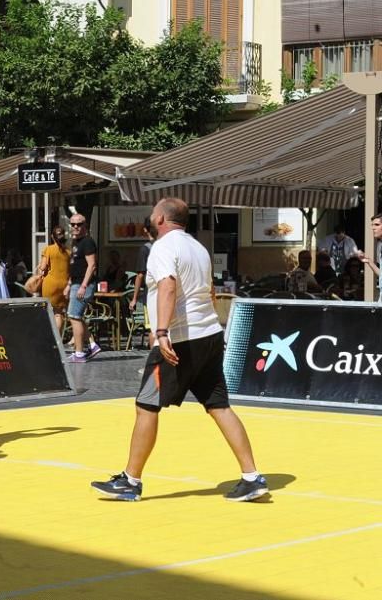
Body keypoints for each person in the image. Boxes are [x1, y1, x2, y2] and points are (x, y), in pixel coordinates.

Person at [91, 197, 268, 503]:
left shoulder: (162, 247)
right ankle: (252, 477)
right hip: (210, 333)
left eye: (153, 211)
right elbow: (210, 292)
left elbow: (168, 287)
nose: (150, 215)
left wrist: (161, 332)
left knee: (146, 404)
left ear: (161, 218)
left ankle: (130, 481)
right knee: (219, 406)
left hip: (180, 338)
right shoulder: (198, 248)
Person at [66, 213, 102, 363]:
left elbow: (92, 265)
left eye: (79, 224)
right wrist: (69, 284)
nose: (75, 227)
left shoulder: (87, 242)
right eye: (73, 224)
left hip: (83, 284)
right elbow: (75, 265)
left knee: (74, 317)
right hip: (76, 283)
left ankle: (79, 353)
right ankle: (92, 346)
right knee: (76, 316)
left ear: (85, 226)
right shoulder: (76, 242)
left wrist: (83, 286)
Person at [37, 226, 70, 334]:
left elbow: (43, 267)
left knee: (50, 312)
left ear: (52, 236)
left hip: (50, 285)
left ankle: (50, 338)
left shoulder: (49, 249)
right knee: (59, 313)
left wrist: (39, 268)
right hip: (65, 285)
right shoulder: (68, 252)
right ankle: (58, 340)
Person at [128, 217, 154, 313]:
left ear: (145, 229)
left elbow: (140, 275)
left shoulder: (145, 249)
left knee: (152, 326)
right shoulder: (167, 246)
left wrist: (134, 298)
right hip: (168, 293)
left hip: (151, 293)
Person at [358, 213, 382, 301]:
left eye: (377, 225)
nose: (373, 228)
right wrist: (369, 261)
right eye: (372, 225)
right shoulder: (380, 246)